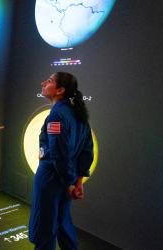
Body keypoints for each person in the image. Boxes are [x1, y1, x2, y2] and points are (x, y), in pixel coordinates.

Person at [29, 72, 94, 250]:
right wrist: (78, 181)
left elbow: (59, 153)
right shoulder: (79, 115)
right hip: (67, 177)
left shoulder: (57, 116)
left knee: (44, 226)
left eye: (49, 81)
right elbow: (87, 150)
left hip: (52, 178)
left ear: (60, 90)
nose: (43, 82)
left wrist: (69, 183)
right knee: (62, 221)